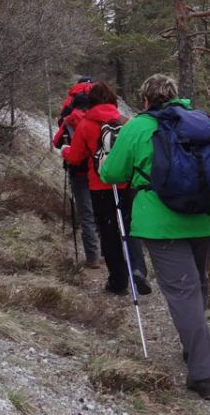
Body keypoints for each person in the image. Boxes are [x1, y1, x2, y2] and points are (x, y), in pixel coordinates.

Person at [99, 74, 210, 402]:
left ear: (144, 99)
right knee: (197, 281)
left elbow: (112, 174)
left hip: (162, 225)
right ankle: (193, 347)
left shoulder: (137, 127)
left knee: (183, 292)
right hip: (209, 218)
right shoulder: (203, 122)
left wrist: (104, 159)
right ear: (176, 96)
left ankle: (203, 374)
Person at [60, 81, 150, 295]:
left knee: (108, 233)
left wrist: (64, 150)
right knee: (130, 227)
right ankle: (138, 269)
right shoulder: (126, 122)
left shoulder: (86, 124)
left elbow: (76, 157)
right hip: (127, 183)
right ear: (113, 100)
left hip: (100, 186)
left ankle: (118, 281)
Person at [52, 77, 101, 268]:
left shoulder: (69, 121)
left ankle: (92, 257)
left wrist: (66, 148)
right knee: (101, 212)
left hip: (77, 172)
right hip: (98, 172)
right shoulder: (98, 121)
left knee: (86, 215)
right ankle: (107, 252)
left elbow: (57, 142)